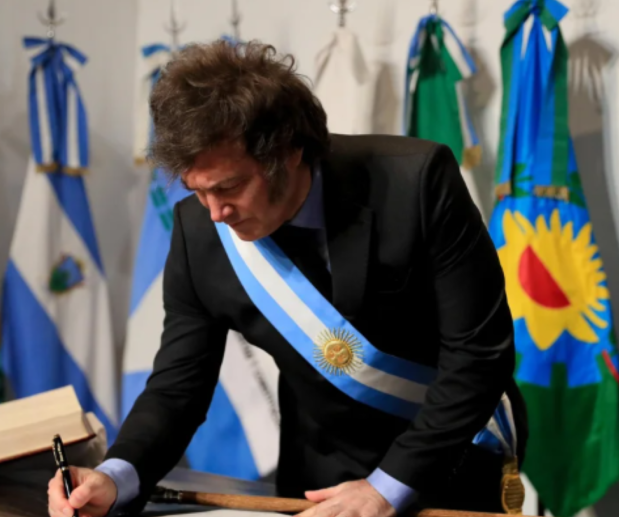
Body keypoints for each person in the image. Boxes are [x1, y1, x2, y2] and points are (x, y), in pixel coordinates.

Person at [47, 40, 527, 517]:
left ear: (289, 150)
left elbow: (478, 353)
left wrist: (386, 488)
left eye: (229, 186)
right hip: (318, 478)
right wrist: (115, 476)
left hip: (449, 463)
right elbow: (178, 387)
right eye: (198, 191)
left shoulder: (416, 182)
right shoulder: (199, 234)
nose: (215, 213)